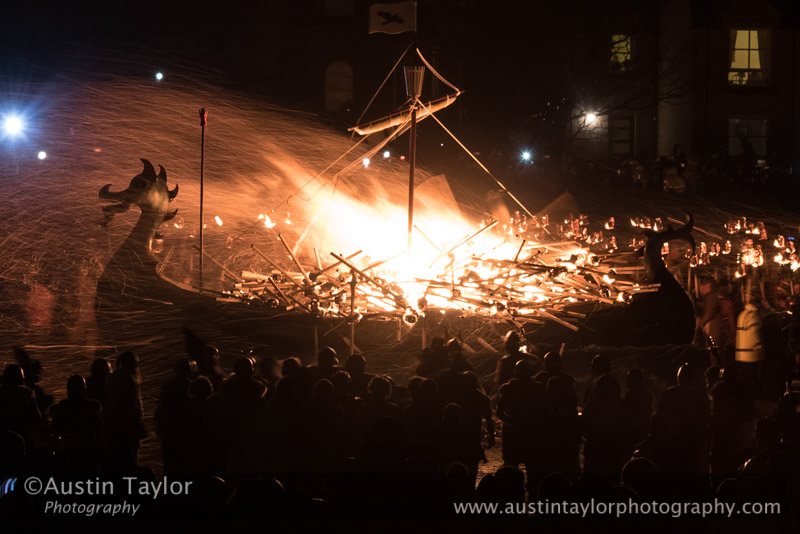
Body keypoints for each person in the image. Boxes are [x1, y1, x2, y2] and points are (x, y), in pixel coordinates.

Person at [103, 351, 146, 461]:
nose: (137, 365)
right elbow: (131, 405)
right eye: (135, 363)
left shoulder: (115, 377)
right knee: (129, 457)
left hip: (117, 425)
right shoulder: (129, 379)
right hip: (127, 426)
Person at [735, 291, 764, 392]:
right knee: (751, 380)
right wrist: (760, 346)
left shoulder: (742, 314)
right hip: (750, 355)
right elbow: (754, 333)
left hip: (741, 355)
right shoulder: (753, 315)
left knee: (743, 382)